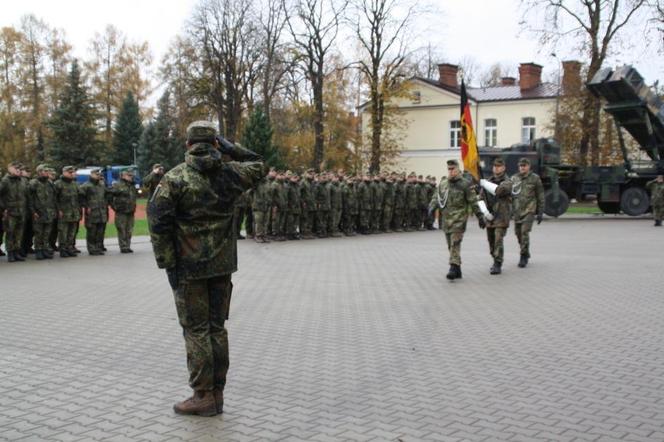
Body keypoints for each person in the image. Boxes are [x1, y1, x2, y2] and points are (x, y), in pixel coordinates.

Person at [147, 120, 265, 417]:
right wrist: (231, 148)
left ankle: (203, 395)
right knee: (216, 328)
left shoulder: (175, 178)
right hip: (222, 265)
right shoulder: (232, 174)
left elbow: (158, 223)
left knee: (196, 330)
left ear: (187, 144)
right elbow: (259, 163)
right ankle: (217, 393)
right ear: (216, 143)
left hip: (189, 268)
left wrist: (167, 264)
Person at [429, 159, 485, 280]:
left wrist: (480, 216)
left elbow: (473, 201)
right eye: (449, 169)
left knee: (455, 243)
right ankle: (458, 268)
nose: (451, 171)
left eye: (453, 169)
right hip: (446, 220)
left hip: (459, 219)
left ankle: (453, 268)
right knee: (450, 245)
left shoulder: (465, 184)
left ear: (458, 169)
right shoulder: (443, 183)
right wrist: (431, 208)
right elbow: (436, 197)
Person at [480, 158, 513, 275]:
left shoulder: (508, 181)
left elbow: (499, 191)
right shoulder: (488, 180)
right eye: (494, 166)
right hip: (490, 217)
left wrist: (485, 184)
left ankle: (498, 263)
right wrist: (484, 213)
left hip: (502, 216)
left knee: (498, 239)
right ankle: (495, 259)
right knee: (491, 241)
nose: (496, 168)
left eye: (499, 166)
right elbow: (480, 198)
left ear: (503, 168)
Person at [511, 157, 544, 268]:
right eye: (521, 166)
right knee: (518, 233)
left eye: (524, 166)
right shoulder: (514, 178)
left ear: (529, 166)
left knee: (524, 232)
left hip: (529, 210)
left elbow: (540, 195)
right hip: (517, 210)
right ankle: (526, 251)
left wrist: (540, 211)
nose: (522, 168)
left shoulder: (535, 179)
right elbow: (510, 195)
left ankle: (523, 256)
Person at [0, 161, 28, 262]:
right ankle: (10, 252)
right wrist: (4, 208)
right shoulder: (5, 181)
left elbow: (26, 196)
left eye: (20, 169)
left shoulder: (23, 181)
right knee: (10, 233)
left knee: (19, 233)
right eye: (17, 169)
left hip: (21, 211)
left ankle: (17, 251)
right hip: (10, 212)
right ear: (10, 169)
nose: (19, 171)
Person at [28, 164, 57, 260]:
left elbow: (53, 198)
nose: (47, 173)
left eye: (48, 171)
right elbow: (30, 199)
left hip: (48, 212)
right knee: (38, 233)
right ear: (39, 172)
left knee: (47, 233)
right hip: (38, 213)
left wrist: (54, 210)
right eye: (45, 171)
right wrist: (33, 211)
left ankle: (45, 249)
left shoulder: (49, 183)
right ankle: (38, 250)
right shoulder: (33, 183)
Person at [54, 166, 81, 258]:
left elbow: (78, 198)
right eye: (70, 172)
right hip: (64, 212)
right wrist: (58, 210)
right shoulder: (58, 184)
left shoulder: (75, 184)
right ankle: (63, 249)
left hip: (74, 212)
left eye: (73, 172)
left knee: (72, 232)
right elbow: (54, 199)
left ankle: (70, 248)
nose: (72, 174)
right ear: (64, 172)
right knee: (63, 232)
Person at [80, 169, 108, 255]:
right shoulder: (86, 186)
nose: (98, 176)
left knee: (100, 231)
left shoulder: (101, 185)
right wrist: (86, 206)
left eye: (99, 175)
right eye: (96, 174)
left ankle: (99, 248)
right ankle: (92, 248)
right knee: (92, 231)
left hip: (101, 212)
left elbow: (106, 195)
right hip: (92, 212)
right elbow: (81, 197)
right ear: (91, 175)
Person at [109, 169, 138, 253]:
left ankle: (128, 246)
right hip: (121, 211)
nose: (131, 177)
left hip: (130, 210)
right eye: (128, 175)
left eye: (131, 175)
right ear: (122, 176)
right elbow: (109, 194)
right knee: (122, 229)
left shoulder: (132, 185)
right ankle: (123, 246)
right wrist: (114, 206)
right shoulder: (117, 185)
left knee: (129, 230)